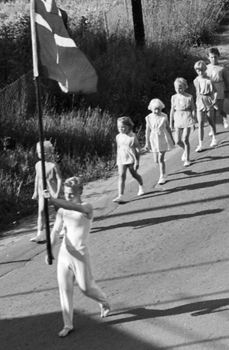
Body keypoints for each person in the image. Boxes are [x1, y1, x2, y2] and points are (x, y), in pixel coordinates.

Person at [47, 176, 111, 337]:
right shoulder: (62, 211)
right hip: (65, 254)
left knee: (86, 288)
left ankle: (104, 302)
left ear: (80, 191)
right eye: (66, 193)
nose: (67, 196)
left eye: (71, 193)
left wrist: (53, 199)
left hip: (81, 255)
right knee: (65, 289)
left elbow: (71, 205)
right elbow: (55, 231)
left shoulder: (87, 208)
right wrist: (50, 249)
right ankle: (67, 324)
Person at [30, 140, 62, 243]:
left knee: (59, 210)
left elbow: (59, 179)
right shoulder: (38, 165)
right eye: (40, 152)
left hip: (52, 191)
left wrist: (57, 192)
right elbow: (37, 178)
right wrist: (35, 191)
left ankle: (65, 226)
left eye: (45, 152)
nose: (42, 154)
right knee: (41, 212)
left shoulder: (53, 165)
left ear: (50, 152)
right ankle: (40, 233)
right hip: (42, 192)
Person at [113, 117, 145, 203]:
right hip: (121, 159)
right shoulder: (118, 136)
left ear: (129, 127)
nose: (121, 129)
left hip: (131, 159)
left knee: (134, 174)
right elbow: (118, 148)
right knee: (121, 176)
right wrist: (117, 159)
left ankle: (141, 186)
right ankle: (120, 195)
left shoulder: (132, 136)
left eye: (123, 127)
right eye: (119, 127)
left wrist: (137, 161)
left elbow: (138, 149)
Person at [144, 99, 174, 185]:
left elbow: (167, 127)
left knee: (160, 158)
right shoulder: (148, 118)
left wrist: (171, 138)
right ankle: (162, 167)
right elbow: (147, 130)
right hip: (153, 138)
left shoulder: (164, 116)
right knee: (156, 160)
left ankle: (162, 175)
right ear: (151, 109)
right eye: (155, 109)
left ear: (161, 108)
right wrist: (147, 142)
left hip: (162, 137)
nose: (157, 111)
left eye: (159, 109)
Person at [169, 78, 197, 166]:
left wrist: (193, 121)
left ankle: (187, 159)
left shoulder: (189, 97)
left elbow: (193, 109)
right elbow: (172, 110)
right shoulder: (173, 97)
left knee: (185, 139)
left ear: (185, 87)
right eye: (176, 88)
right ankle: (185, 149)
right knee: (177, 141)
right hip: (178, 118)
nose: (178, 90)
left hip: (187, 117)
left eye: (180, 88)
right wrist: (171, 122)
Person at [192, 61, 218, 151]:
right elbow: (197, 92)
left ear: (205, 70)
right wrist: (196, 103)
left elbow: (215, 91)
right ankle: (200, 144)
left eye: (202, 70)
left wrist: (214, 100)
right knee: (200, 123)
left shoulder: (209, 81)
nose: (200, 72)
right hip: (200, 101)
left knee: (210, 121)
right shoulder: (195, 80)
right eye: (198, 70)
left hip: (208, 100)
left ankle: (214, 138)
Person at [204, 47, 229, 129]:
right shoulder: (206, 68)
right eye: (211, 57)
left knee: (218, 109)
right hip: (210, 91)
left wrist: (227, 90)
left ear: (218, 56)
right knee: (211, 111)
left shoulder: (222, 68)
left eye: (215, 57)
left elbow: (226, 80)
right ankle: (213, 129)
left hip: (219, 89)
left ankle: (225, 116)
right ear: (208, 57)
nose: (213, 59)